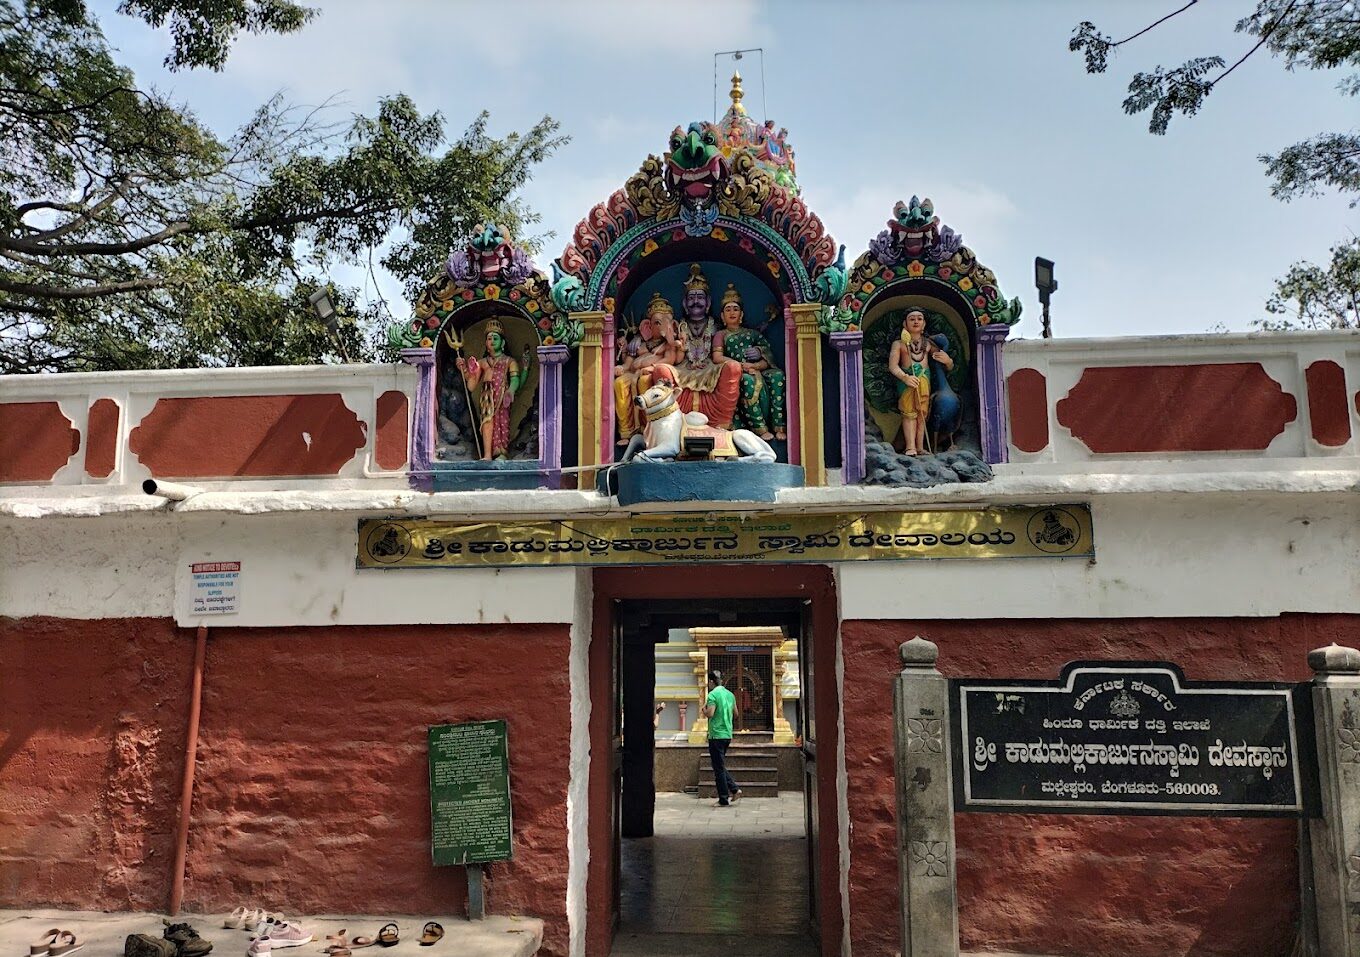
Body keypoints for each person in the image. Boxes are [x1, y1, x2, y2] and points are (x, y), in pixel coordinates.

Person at [712, 282, 786, 441]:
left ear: (742, 314)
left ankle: (778, 425)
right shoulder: (721, 335)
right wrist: (739, 366)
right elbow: (717, 358)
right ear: (722, 317)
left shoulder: (752, 334)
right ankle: (759, 427)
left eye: (735, 309)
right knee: (746, 381)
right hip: (736, 372)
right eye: (728, 309)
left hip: (757, 369)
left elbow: (769, 357)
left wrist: (758, 357)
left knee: (777, 376)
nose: (732, 312)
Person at [455, 318, 531, 460]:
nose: (492, 341)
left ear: (502, 343)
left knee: (502, 422)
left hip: (502, 395)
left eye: (495, 338)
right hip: (486, 395)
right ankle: (487, 454)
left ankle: (501, 452)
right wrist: (464, 368)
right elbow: (471, 385)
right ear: (486, 343)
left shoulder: (509, 361)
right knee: (487, 422)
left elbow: (515, 380)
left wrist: (511, 391)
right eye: (489, 338)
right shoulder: (482, 363)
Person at [888, 309, 952, 455]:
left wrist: (948, 361)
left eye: (919, 319)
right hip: (907, 382)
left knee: (922, 414)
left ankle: (920, 446)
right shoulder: (898, 344)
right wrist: (905, 377)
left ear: (924, 324)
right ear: (905, 324)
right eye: (912, 319)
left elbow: (945, 362)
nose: (916, 322)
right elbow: (893, 366)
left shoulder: (928, 344)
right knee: (909, 414)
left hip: (924, 379)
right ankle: (910, 446)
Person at [700, 668, 741, 807]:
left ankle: (724, 798)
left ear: (711, 681)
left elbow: (710, 713)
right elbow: (736, 714)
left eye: (709, 682)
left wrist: (704, 710)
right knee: (719, 765)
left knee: (718, 768)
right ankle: (734, 789)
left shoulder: (712, 695)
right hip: (727, 734)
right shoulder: (730, 694)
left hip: (716, 735)